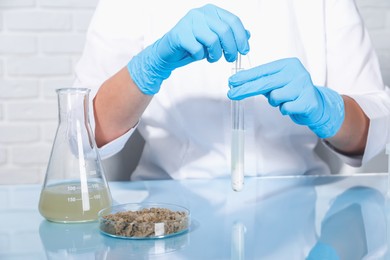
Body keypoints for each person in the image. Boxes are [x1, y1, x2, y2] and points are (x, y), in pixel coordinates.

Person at [74, 0, 390, 180]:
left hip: (301, 212)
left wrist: (327, 110)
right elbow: (84, 132)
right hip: (169, 214)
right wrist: (150, 66)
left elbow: (373, 132)